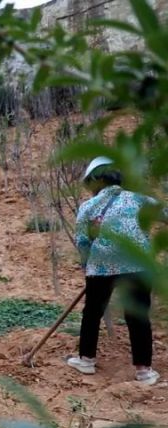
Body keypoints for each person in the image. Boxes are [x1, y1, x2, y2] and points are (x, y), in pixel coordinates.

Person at [66, 157, 159, 385]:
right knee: (137, 315)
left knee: (92, 313)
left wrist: (87, 267)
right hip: (137, 265)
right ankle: (144, 371)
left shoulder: (88, 207)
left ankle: (86, 360)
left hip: (101, 266)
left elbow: (82, 241)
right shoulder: (140, 200)